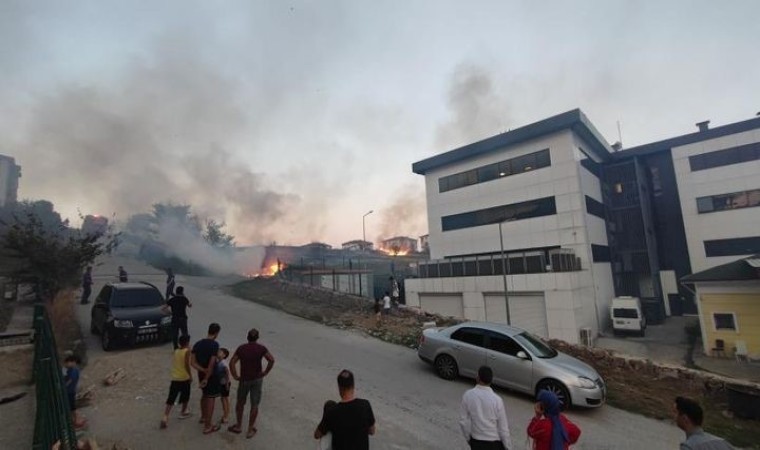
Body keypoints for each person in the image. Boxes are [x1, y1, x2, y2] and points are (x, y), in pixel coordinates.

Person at [228, 328, 275, 439]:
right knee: (254, 404)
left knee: (240, 402)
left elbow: (232, 362)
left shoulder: (242, 348)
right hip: (257, 379)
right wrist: (265, 372)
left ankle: (239, 426)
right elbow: (271, 360)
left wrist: (235, 375)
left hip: (244, 379)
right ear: (257, 338)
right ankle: (250, 429)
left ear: (247, 337)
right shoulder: (261, 348)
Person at [314, 369, 375, 450]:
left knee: (329, 405)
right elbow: (372, 431)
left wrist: (328, 421)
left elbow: (317, 435)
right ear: (353, 386)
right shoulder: (365, 405)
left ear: (339, 388)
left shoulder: (332, 412)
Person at [459, 366, 512, 450]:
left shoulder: (468, 395)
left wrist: (468, 438)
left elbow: (463, 421)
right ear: (491, 380)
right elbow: (503, 429)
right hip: (494, 443)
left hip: (476, 441)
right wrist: (508, 447)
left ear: (477, 378)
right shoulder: (497, 400)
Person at [191, 323, 222, 434]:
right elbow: (212, 363)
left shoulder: (198, 344)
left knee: (204, 394)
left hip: (201, 373)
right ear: (217, 333)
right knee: (210, 398)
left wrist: (202, 371)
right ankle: (208, 426)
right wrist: (207, 377)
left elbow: (193, 362)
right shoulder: (214, 345)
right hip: (212, 376)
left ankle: (203, 417)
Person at [160, 334, 193, 429]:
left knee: (171, 397)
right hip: (184, 377)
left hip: (175, 377)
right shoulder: (187, 351)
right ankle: (184, 411)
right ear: (187, 343)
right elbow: (187, 364)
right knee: (185, 395)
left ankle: (165, 416)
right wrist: (190, 375)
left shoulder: (176, 351)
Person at [64, 355, 86, 429]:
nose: (66, 364)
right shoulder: (73, 370)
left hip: (69, 391)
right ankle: (75, 420)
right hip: (71, 391)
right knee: (71, 407)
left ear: (73, 362)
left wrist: (63, 387)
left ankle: (76, 420)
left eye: (68, 363)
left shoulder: (73, 371)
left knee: (72, 408)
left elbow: (69, 381)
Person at [217, 348, 232, 424]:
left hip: (225, 383)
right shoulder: (219, 361)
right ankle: (226, 413)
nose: (218, 353)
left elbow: (227, 372)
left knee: (224, 399)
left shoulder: (223, 363)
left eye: (220, 352)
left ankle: (225, 416)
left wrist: (227, 383)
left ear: (224, 355)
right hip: (222, 383)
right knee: (224, 398)